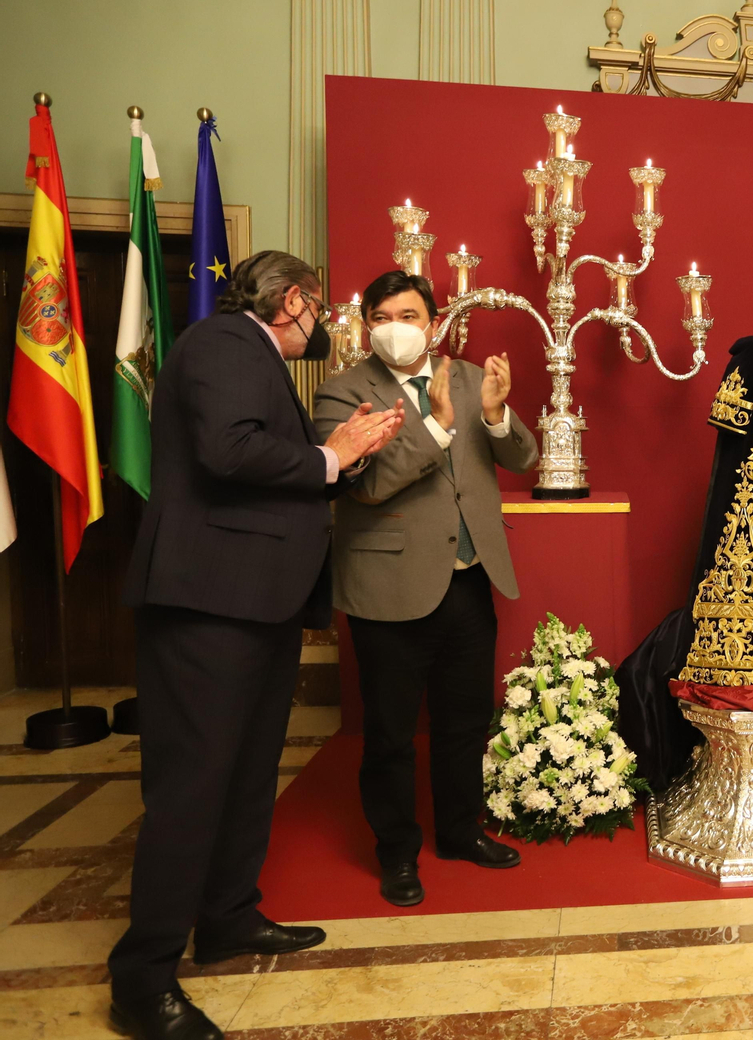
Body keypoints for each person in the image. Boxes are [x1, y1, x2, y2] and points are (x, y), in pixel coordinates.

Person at [111, 251, 403, 1040]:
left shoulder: (253, 353)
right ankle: (143, 979)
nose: (323, 324)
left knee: (243, 775)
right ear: (295, 300)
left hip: (253, 605)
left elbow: (271, 466)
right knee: (192, 789)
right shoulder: (223, 344)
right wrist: (330, 456)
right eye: (321, 309)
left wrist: (341, 457)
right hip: (209, 603)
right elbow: (231, 450)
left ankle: (228, 917)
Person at [314, 271, 537, 908]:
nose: (396, 327)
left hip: (468, 579)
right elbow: (366, 485)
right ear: (364, 326)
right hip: (388, 587)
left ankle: (462, 831)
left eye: (409, 314)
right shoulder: (341, 393)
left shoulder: (471, 378)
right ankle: (398, 855)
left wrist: (494, 417)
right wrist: (436, 428)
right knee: (388, 733)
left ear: (434, 323)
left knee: (465, 722)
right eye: (381, 315)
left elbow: (522, 457)